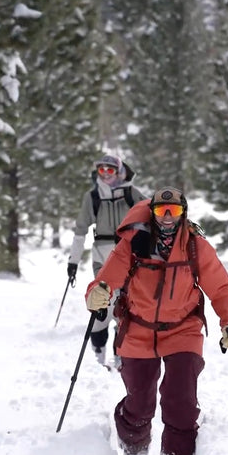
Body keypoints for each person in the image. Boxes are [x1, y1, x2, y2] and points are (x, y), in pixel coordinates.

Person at [84, 187, 228, 455]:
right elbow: (107, 277)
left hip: (183, 329)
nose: (167, 219)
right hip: (139, 328)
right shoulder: (135, 243)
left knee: (180, 399)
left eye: (173, 212)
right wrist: (98, 291)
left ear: (183, 214)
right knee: (139, 400)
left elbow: (221, 287)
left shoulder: (195, 245)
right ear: (152, 214)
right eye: (160, 212)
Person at [67, 153, 149, 368]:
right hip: (102, 254)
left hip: (128, 254)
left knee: (127, 303)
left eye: (110, 170)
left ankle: (121, 352)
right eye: (101, 170)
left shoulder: (131, 194)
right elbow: (80, 230)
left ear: (119, 171)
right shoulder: (93, 197)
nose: (105, 174)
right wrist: (73, 261)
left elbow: (152, 216)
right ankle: (98, 352)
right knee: (103, 300)